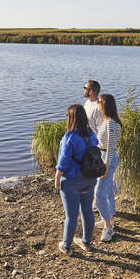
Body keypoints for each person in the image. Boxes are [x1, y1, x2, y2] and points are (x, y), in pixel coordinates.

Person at [54, 104, 98, 254]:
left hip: (72, 181)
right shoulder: (91, 135)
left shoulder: (70, 137)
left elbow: (64, 161)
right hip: (89, 179)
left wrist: (57, 177)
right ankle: (86, 241)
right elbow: (95, 148)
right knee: (87, 211)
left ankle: (66, 246)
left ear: (71, 118)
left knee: (71, 215)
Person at [94, 93, 122, 242]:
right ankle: (110, 219)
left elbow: (110, 147)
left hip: (107, 159)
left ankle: (108, 228)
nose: (97, 104)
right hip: (104, 157)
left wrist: (106, 166)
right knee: (109, 189)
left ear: (104, 104)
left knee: (98, 194)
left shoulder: (110, 123)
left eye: (99, 102)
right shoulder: (108, 121)